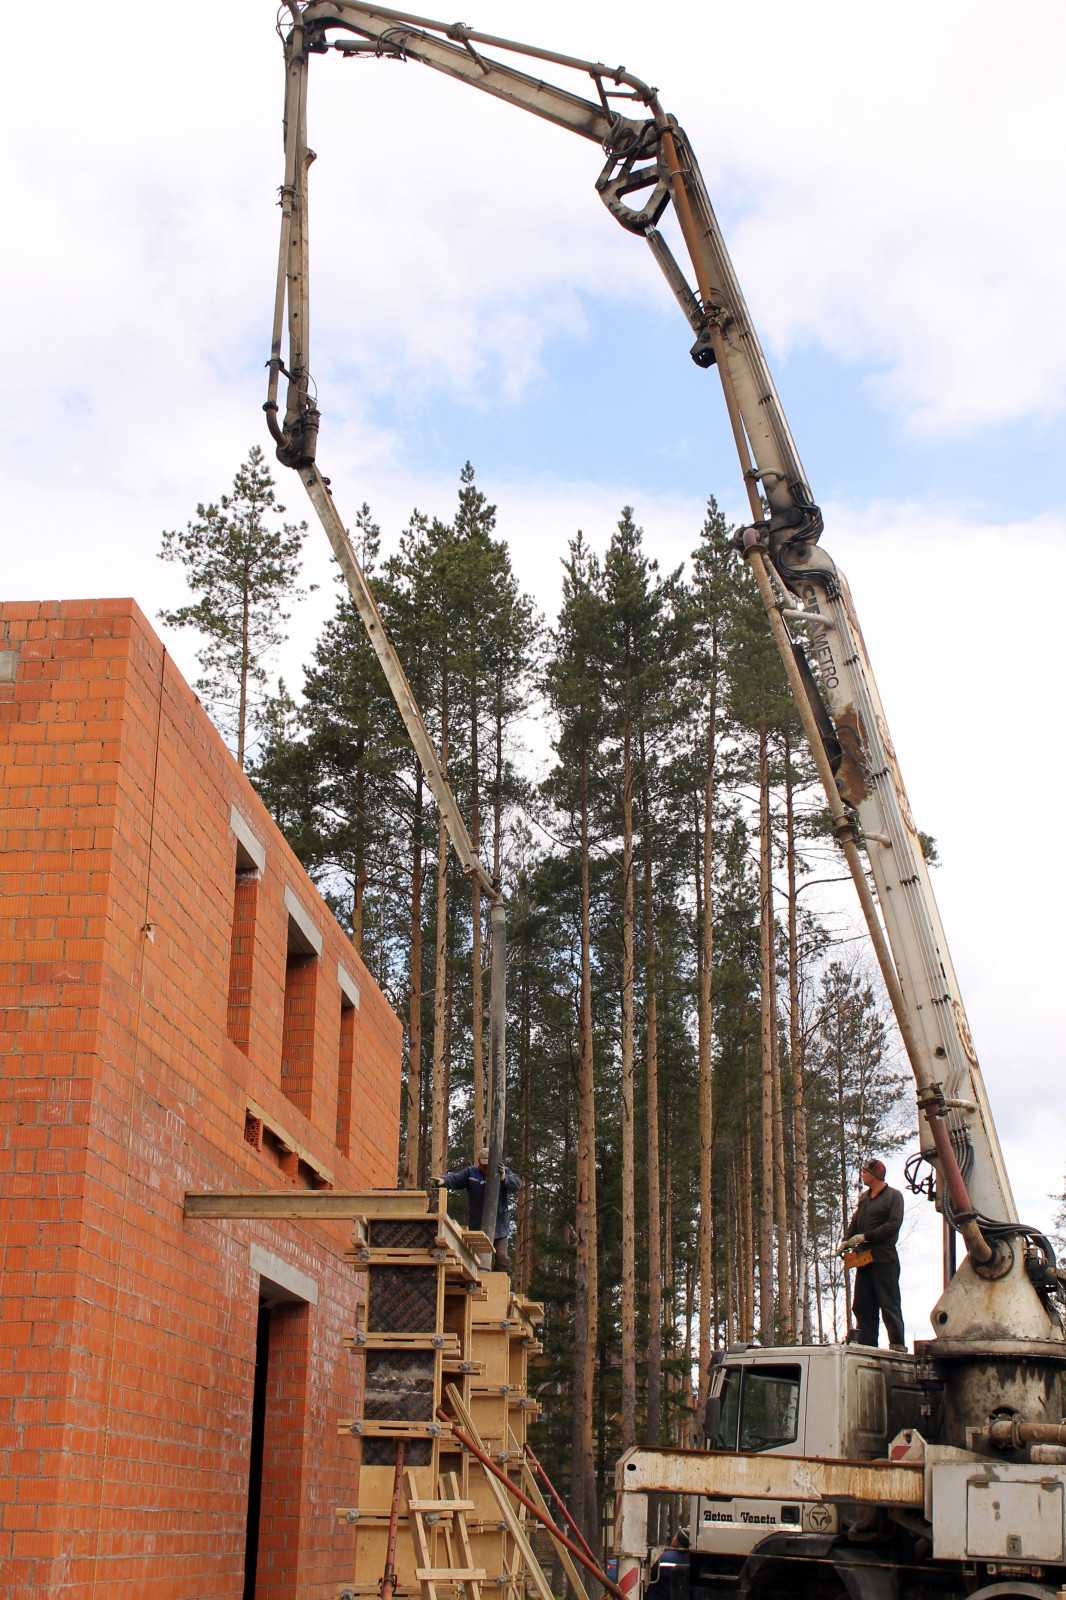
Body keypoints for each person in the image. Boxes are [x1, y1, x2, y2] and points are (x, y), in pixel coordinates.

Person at [839, 1157, 907, 1350]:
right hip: (865, 1262)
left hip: (885, 1260)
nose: (862, 1175)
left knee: (889, 1305)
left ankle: (897, 1346)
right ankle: (868, 1346)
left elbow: (893, 1225)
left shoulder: (893, 1197)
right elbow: (855, 1222)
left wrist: (865, 1237)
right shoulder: (864, 1198)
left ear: (875, 1174)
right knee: (862, 1305)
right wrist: (846, 1241)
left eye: (865, 1172)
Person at [432, 1148, 522, 1272]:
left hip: (499, 1225)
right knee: (481, 1261)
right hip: (479, 1226)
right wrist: (443, 1181)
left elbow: (517, 1184)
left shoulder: (503, 1172)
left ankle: (502, 1281)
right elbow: (455, 1178)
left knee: (502, 1257)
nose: (485, 1167)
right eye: (483, 1164)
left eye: (488, 1164)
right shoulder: (471, 1173)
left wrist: (504, 1178)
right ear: (478, 1161)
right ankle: (482, 1281)